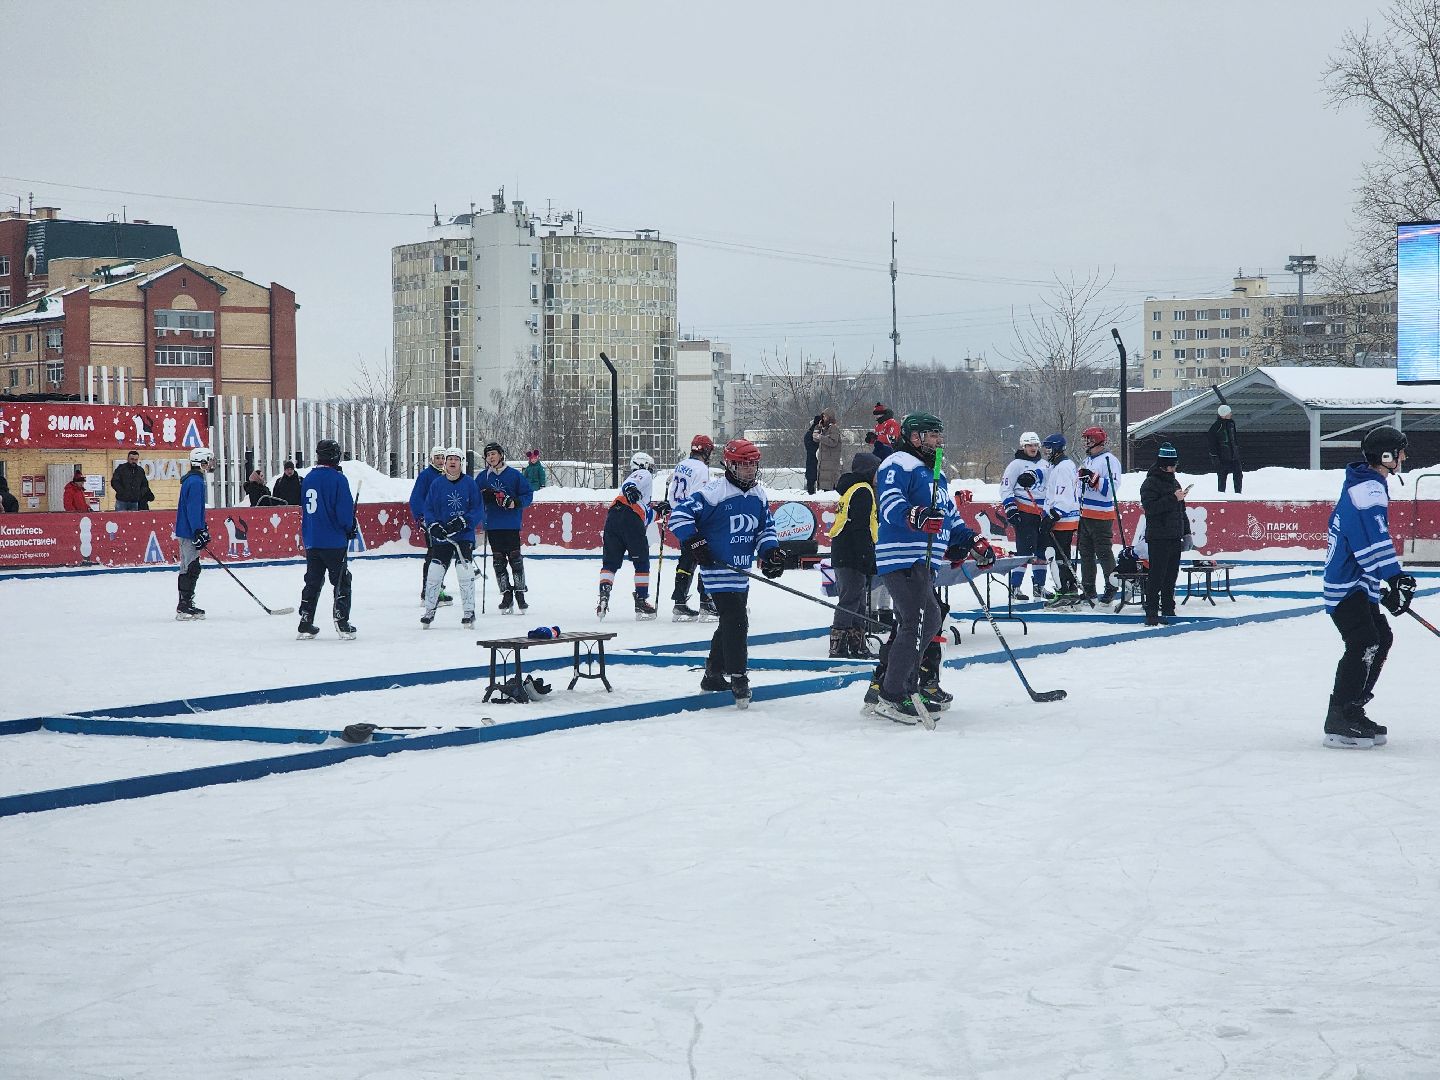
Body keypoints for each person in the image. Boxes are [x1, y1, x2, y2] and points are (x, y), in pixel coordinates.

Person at [865, 411, 990, 727]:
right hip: (902, 557)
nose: (939, 440)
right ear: (915, 437)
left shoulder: (937, 474)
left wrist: (972, 541)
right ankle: (892, 694)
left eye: (939, 435)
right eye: (933, 435)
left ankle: (891, 684)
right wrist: (916, 516)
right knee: (918, 620)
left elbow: (950, 519)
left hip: (925, 559)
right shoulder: (897, 464)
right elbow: (890, 504)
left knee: (926, 619)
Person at [1320, 425, 1416, 749]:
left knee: (1380, 638)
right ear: (1387, 456)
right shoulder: (1368, 490)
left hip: (1357, 582)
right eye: (1401, 451)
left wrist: (1383, 584)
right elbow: (1371, 539)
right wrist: (1393, 577)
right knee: (1364, 641)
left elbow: (1366, 541)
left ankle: (1352, 709)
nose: (1404, 456)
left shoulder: (1368, 483)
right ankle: (1340, 717)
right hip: (1347, 584)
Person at [669, 438, 782, 708]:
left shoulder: (758, 495)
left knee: (729, 622)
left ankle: (712, 675)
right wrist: (695, 541)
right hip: (717, 570)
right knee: (737, 619)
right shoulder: (713, 492)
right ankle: (739, 677)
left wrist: (771, 553)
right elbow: (679, 516)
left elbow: (765, 529)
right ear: (730, 465)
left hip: (741, 570)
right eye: (744, 465)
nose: (750, 470)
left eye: (753, 465)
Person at [297, 439, 358, 640]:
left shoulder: (308, 478)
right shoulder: (338, 479)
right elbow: (344, 512)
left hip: (312, 539)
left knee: (313, 581)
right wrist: (350, 527)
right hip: (333, 540)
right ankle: (342, 621)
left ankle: (305, 620)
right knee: (341, 581)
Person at [421, 447, 484, 628]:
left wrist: (464, 521)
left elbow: (477, 509)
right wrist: (433, 525)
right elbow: (428, 508)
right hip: (443, 536)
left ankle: (469, 612)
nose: (452, 462)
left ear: (461, 462)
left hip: (463, 535)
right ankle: (429, 610)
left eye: (456, 459)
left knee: (464, 570)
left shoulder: (470, 483)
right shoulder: (437, 484)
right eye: (450, 459)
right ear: (445, 463)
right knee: (434, 571)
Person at [828, 451, 880, 659]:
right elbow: (860, 528)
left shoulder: (852, 488)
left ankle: (856, 644)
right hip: (851, 553)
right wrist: (866, 557)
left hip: (844, 551)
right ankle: (839, 646)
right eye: (877, 471)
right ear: (868, 471)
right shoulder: (863, 491)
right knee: (850, 599)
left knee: (857, 600)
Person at [597, 451, 660, 620]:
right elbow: (631, 484)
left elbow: (644, 515)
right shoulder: (643, 474)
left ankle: (604, 594)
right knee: (641, 562)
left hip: (613, 518)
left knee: (609, 563)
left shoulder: (636, 495)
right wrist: (630, 487)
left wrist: (659, 511)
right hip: (631, 520)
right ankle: (641, 600)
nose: (651, 470)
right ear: (643, 464)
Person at [478, 441, 535, 613]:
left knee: (515, 559)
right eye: (488, 455)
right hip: (492, 524)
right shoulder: (482, 477)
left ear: (501, 455)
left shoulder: (514, 475)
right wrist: (483, 497)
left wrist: (515, 502)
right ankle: (506, 594)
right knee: (498, 561)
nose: (491, 457)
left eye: (493, 454)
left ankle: (520, 594)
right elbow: (472, 496)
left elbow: (528, 494)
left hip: (510, 524)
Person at [666, 435, 717, 621]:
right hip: (694, 518)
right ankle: (706, 602)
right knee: (705, 557)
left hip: (679, 518)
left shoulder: (681, 464)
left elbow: (674, 492)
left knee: (687, 559)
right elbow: (698, 496)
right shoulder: (702, 469)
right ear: (706, 450)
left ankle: (679, 602)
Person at [1138, 443, 1190, 626]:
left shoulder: (1175, 482)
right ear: (1164, 465)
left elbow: (1181, 511)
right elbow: (1151, 508)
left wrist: (1186, 533)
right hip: (1158, 536)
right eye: (1172, 465)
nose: (1175, 469)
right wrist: (1173, 498)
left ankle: (1168, 607)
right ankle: (1151, 610)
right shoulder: (1150, 483)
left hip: (1174, 535)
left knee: (1171, 576)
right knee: (1156, 575)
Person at [999, 431, 1048, 600]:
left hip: (1042, 514)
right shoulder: (1016, 465)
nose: (1033, 448)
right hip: (1025, 513)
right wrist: (1011, 508)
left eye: (1035, 445)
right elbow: (1005, 488)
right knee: (1024, 551)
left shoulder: (1045, 464)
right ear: (1023, 446)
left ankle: (1039, 586)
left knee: (1042, 551)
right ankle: (1015, 586)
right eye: (1029, 445)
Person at [1077, 426, 1123, 603]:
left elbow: (1111, 489)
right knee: (1086, 554)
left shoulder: (1109, 460)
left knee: (1104, 552)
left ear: (1096, 440)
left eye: (1088, 439)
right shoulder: (1087, 460)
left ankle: (1112, 586)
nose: (1085, 442)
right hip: (1085, 514)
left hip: (1101, 515)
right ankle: (1088, 588)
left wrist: (1093, 478)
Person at [408, 446, 452, 607]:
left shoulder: (447, 475)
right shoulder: (426, 475)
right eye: (437, 457)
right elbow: (416, 498)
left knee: (443, 555)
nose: (440, 461)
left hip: (445, 522)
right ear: (432, 459)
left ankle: (437, 589)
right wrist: (421, 518)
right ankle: (428, 592)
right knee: (434, 555)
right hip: (431, 521)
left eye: (443, 458)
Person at [1039, 433, 1081, 603]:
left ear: (1057, 448)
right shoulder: (1062, 465)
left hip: (1062, 519)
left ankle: (1064, 590)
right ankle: (1069, 588)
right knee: (1062, 555)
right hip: (1066, 518)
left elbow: (1064, 496)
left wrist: (1053, 516)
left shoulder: (1062, 468)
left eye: (1049, 448)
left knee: (1057, 556)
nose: (1046, 452)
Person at [174, 447, 213, 620]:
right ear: (201, 462)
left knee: (187, 567)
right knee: (191, 567)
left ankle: (184, 603)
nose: (210, 464)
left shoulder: (192, 480)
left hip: (186, 530)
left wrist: (201, 527)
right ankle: (185, 605)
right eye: (208, 461)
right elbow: (194, 508)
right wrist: (198, 530)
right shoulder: (196, 482)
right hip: (189, 532)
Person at [1208, 404, 1243, 493]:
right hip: (1222, 458)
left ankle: (1238, 493)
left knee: (1238, 475)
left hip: (1234, 456)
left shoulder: (1231, 424)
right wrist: (1215, 457)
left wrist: (1236, 451)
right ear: (1224, 415)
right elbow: (1212, 443)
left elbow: (1234, 439)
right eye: (1229, 413)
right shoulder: (1216, 426)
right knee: (1222, 477)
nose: (1231, 414)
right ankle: (1221, 495)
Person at [815, 408, 843, 491]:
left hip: (830, 465)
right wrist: (818, 427)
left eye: (825, 417)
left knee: (829, 487)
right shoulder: (824, 429)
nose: (824, 419)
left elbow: (833, 442)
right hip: (823, 464)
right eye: (823, 417)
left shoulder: (833, 428)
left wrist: (821, 437)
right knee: (823, 488)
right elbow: (815, 439)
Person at [802, 415, 822, 495]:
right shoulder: (818, 434)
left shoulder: (809, 434)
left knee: (811, 483)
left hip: (811, 463)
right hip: (815, 463)